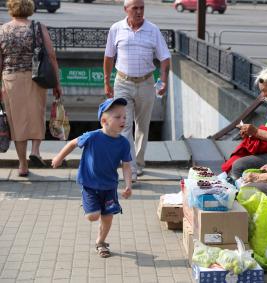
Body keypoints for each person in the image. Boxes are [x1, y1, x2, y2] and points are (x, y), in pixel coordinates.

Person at [51, 98, 132, 258]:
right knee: (93, 216)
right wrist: (59, 158)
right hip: (89, 184)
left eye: (124, 117)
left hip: (109, 186)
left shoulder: (124, 143)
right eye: (118, 117)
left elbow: (126, 165)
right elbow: (72, 144)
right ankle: (89, 204)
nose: (123, 120)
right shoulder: (92, 137)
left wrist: (128, 185)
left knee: (108, 217)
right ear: (104, 120)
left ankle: (101, 242)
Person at [103, 0, 171, 181]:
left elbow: (165, 58)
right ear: (126, 10)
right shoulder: (116, 29)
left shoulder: (153, 30)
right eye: (135, 8)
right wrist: (107, 82)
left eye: (142, 8)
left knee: (142, 126)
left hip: (146, 83)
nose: (139, 12)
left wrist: (163, 80)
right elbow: (109, 56)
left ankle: (139, 163)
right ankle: (130, 168)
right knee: (124, 126)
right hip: (122, 82)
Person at [0, 0, 62, 176]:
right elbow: (51, 55)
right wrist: (57, 83)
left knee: (17, 121)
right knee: (36, 114)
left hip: (10, 79)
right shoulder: (38, 27)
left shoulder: (3, 29)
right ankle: (35, 151)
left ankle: (22, 166)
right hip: (36, 78)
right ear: (30, 8)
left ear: (11, 8)